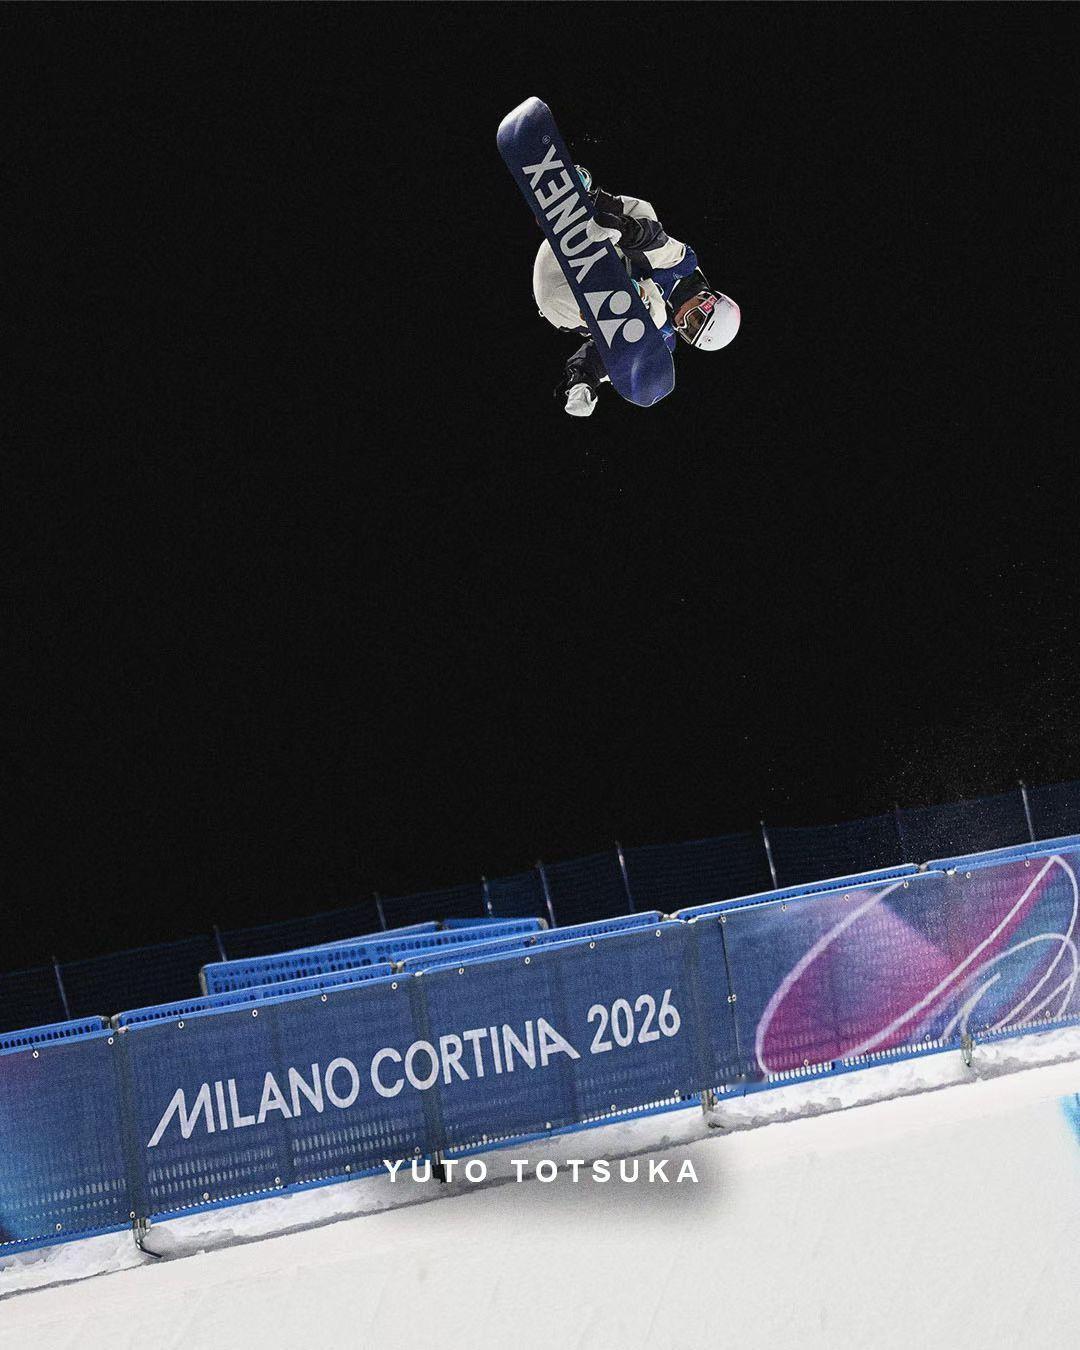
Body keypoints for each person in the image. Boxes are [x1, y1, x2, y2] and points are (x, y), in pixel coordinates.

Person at [532, 167, 741, 416]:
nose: (683, 324)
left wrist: (582, 381)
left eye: (689, 333)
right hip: (591, 235)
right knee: (656, 228)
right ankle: (587, 202)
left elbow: (609, 356)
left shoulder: (664, 336)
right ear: (707, 299)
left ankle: (624, 303)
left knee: (653, 331)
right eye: (695, 319)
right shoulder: (684, 264)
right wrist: (624, 230)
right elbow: (655, 241)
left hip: (559, 295)